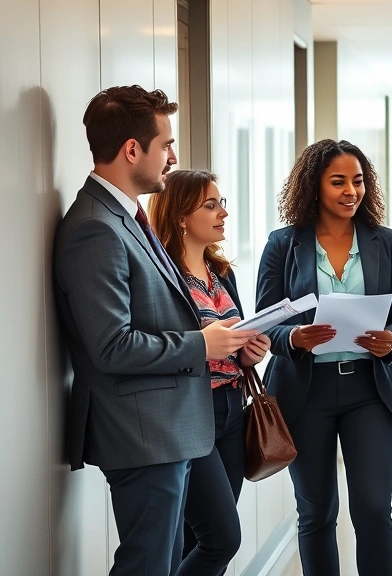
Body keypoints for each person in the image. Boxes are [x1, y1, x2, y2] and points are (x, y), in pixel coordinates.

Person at [53, 86, 257, 576]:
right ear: (131, 150)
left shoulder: (126, 218)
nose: (173, 156)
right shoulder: (95, 227)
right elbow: (111, 345)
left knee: (166, 560)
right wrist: (203, 344)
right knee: (147, 564)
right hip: (142, 431)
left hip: (169, 426)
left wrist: (227, 341)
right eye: (166, 144)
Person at [257, 139, 392, 576]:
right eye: (339, 182)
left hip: (369, 389)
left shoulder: (385, 242)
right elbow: (266, 323)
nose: (352, 191)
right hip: (305, 393)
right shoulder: (282, 244)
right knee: (316, 512)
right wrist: (294, 338)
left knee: (372, 509)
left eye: (359, 181)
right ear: (314, 186)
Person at [149, 170, 271, 575]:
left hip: (232, 410)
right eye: (211, 205)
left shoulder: (222, 273)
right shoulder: (163, 278)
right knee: (222, 538)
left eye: (222, 203)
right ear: (181, 216)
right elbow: (168, 347)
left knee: (194, 537)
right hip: (189, 413)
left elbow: (230, 345)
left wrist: (250, 354)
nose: (224, 213)